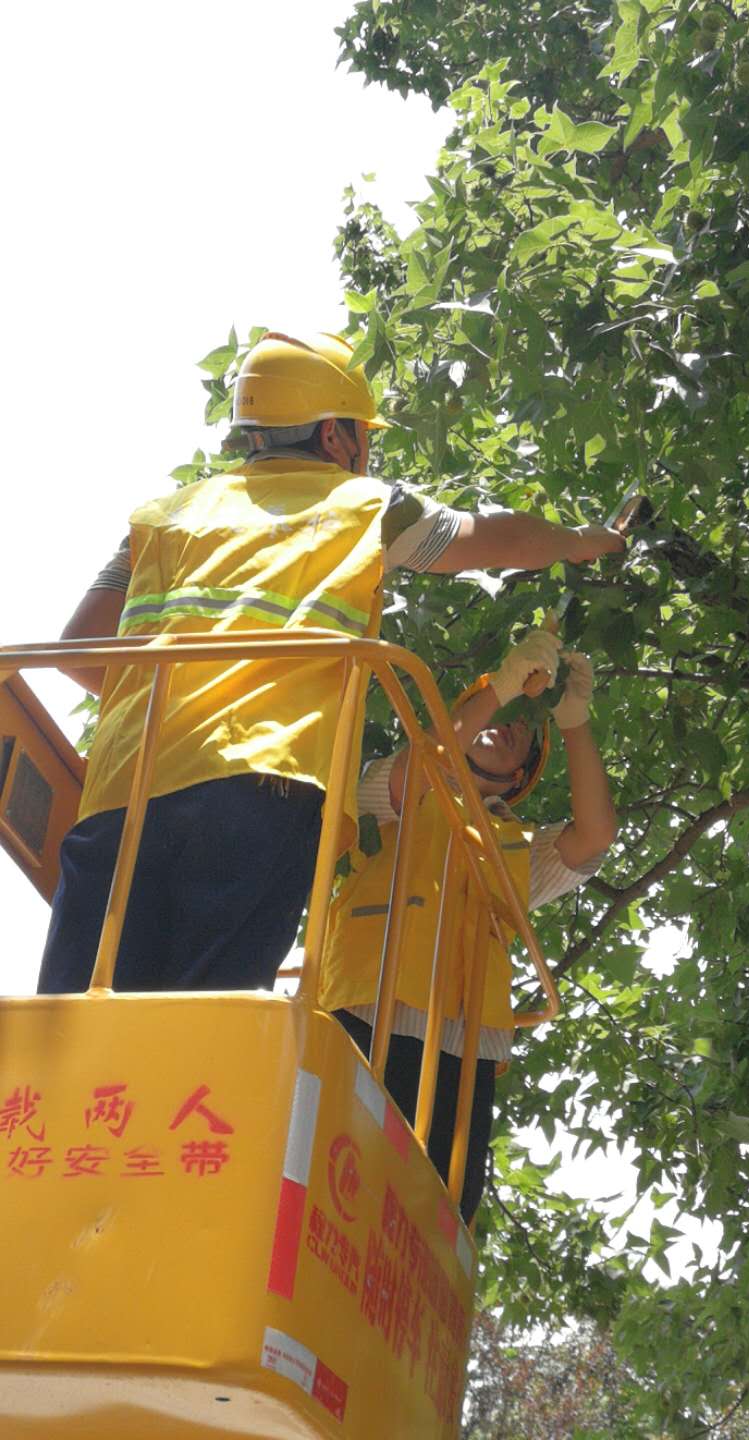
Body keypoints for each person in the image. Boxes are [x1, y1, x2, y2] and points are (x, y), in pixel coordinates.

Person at [39, 332, 624, 997]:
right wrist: (582, 542)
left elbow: (82, 647)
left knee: (79, 1022)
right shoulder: (362, 505)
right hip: (263, 786)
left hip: (125, 789)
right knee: (199, 1022)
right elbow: (497, 538)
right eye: (361, 436)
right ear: (335, 436)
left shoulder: (162, 520)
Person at [319, 628, 618, 1223]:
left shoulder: (519, 846)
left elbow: (595, 837)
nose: (503, 721)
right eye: (493, 710)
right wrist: (502, 685)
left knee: (442, 1210)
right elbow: (421, 768)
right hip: (373, 1006)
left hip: (465, 1037)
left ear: (521, 773)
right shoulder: (399, 786)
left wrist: (574, 720)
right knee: (344, 1172)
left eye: (518, 729)